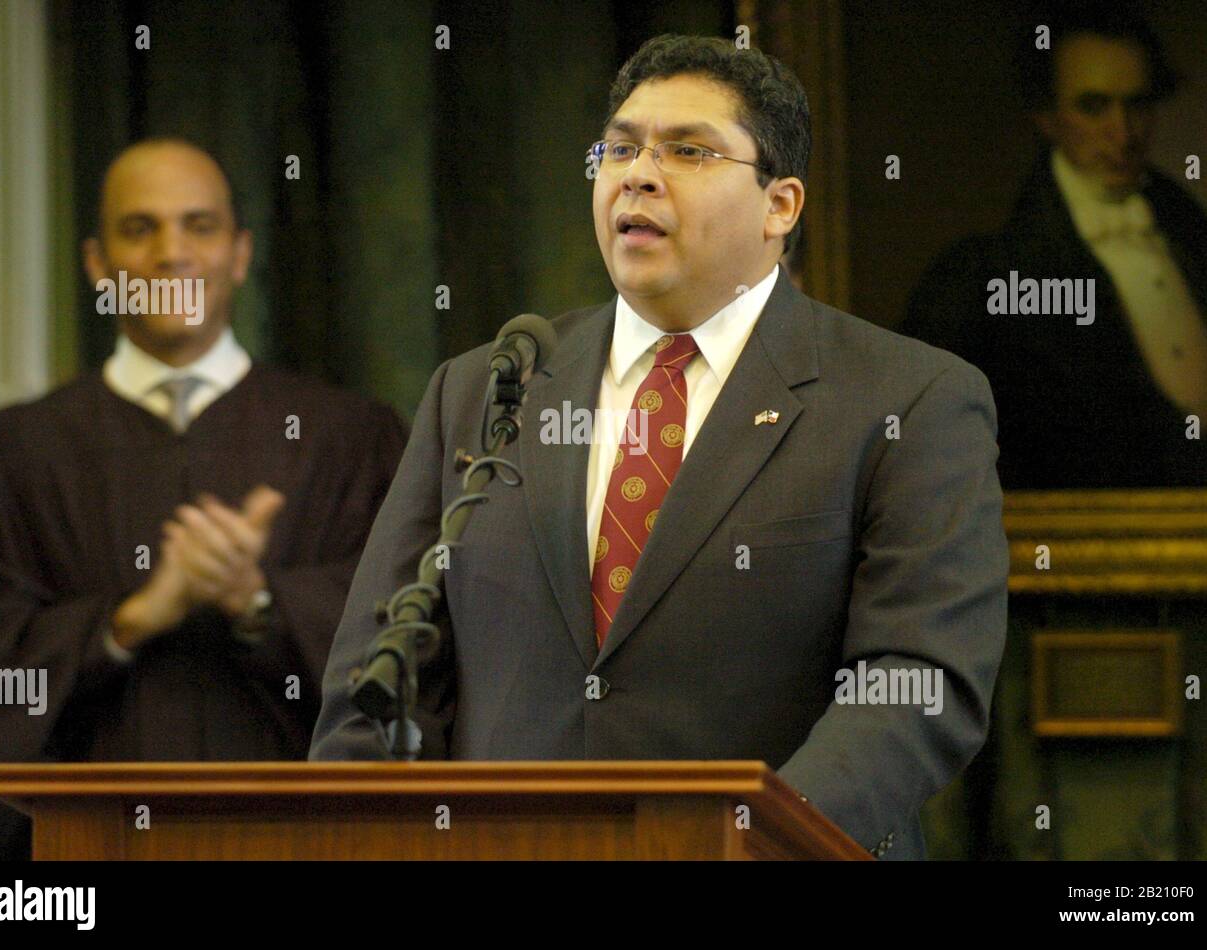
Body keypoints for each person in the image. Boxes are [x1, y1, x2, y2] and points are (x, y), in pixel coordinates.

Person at [311, 35, 1008, 861]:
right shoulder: (487, 389)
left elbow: (917, 683)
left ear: (780, 205)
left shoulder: (907, 399)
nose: (637, 173)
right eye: (620, 147)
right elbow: (382, 680)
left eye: (687, 150)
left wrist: (742, 842)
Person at [0, 138, 408, 859]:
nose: (172, 253)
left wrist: (259, 602)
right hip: (81, 859)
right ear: (98, 266)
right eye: (140, 228)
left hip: (299, 842)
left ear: (240, 253)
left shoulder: (348, 437)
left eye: (199, 226)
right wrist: (126, 623)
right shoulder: (10, 452)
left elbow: (411, 644)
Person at [903, 2, 1207, 488]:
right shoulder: (990, 270)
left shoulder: (1196, 238)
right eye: (1094, 106)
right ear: (1048, 116)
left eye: (1138, 104)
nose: (1123, 132)